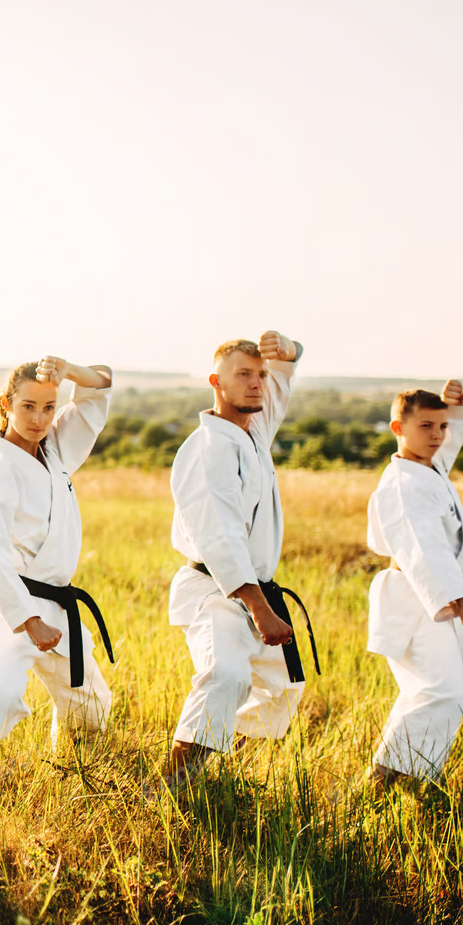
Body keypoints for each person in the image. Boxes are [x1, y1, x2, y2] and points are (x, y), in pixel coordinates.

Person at [0, 356, 115, 787]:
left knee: (91, 702)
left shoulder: (56, 451)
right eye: (28, 406)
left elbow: (100, 387)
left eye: (49, 407)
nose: (39, 418)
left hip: (57, 605)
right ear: (6, 405)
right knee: (2, 691)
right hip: (9, 607)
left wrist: (69, 371)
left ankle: (70, 778)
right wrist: (28, 620)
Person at [157, 332, 313, 794]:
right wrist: (260, 608)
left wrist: (287, 351)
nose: (257, 384)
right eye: (243, 374)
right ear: (216, 382)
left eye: (260, 375)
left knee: (284, 687)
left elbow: (286, 372)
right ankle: (171, 785)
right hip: (217, 590)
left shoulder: (254, 432)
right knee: (226, 674)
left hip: (255, 589)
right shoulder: (209, 449)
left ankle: (218, 772)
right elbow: (219, 537)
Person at [365, 381, 463, 787]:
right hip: (414, 597)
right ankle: (384, 781)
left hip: (431, 596)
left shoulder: (429, 466)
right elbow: (425, 549)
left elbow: (451, 430)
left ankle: (399, 781)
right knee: (441, 687)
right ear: (398, 428)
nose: (438, 435)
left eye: (443, 426)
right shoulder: (404, 483)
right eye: (426, 426)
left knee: (436, 689)